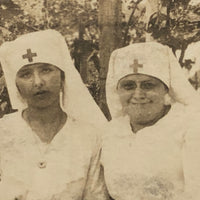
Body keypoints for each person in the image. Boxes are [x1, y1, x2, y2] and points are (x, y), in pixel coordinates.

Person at [0, 30, 109, 200]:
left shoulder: (89, 137)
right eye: (26, 74)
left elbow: (95, 196)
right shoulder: (4, 132)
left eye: (46, 70)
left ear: (62, 76)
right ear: (16, 86)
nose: (38, 82)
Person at [101, 42, 200, 200]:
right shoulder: (111, 132)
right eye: (129, 86)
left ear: (166, 89)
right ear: (117, 90)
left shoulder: (190, 128)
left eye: (148, 85)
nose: (138, 94)